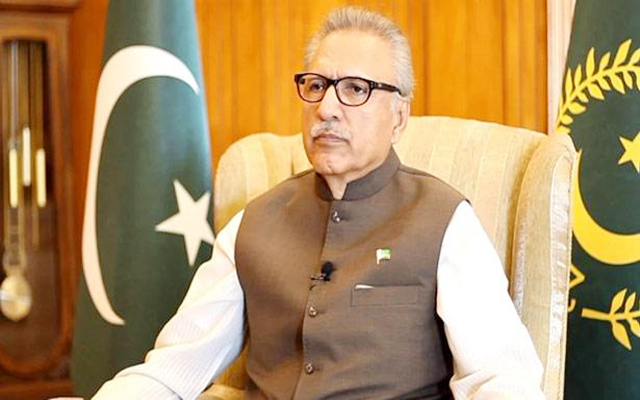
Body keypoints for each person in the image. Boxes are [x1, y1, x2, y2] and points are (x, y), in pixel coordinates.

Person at [93, 7, 544, 400]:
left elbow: (499, 379)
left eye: (355, 89)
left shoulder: (444, 222)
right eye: (316, 85)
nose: (327, 107)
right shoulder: (254, 222)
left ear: (399, 116)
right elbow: (174, 369)